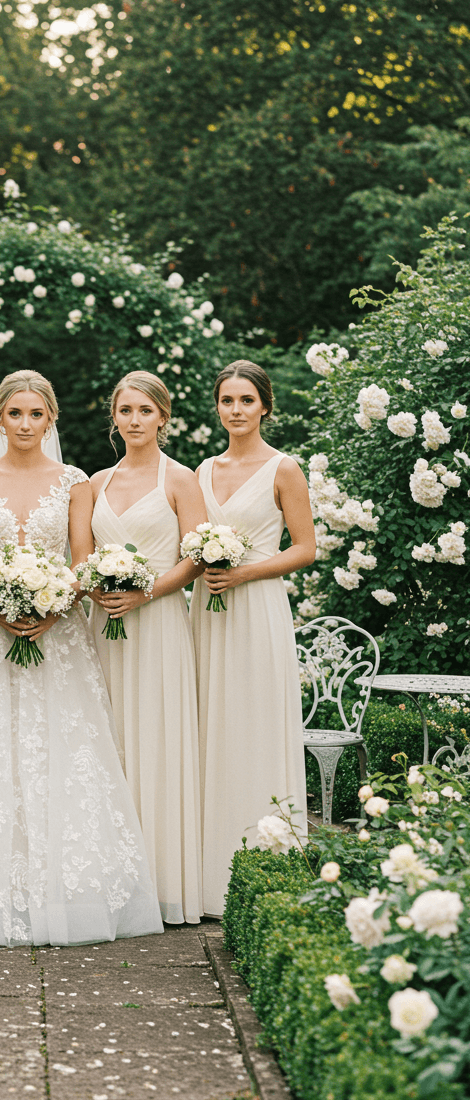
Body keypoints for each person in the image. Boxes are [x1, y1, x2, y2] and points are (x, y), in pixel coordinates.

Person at [0, 369, 162, 947]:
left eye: (35, 414)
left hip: (58, 631)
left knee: (62, 752)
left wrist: (51, 603)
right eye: (14, 414)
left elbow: (82, 555)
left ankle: (67, 893)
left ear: (51, 419)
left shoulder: (74, 482)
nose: (24, 424)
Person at [189, 360, 316, 917]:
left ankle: (269, 855)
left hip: (257, 605)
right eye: (226, 401)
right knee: (209, 722)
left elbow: (305, 548)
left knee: (254, 721)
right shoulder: (201, 471)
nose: (236, 411)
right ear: (217, 408)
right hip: (207, 611)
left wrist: (243, 572)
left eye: (246, 400)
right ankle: (208, 865)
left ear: (265, 405)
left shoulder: (283, 468)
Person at [90, 371, 206, 925]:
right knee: (105, 742)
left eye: (144, 411)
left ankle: (160, 880)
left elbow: (197, 556)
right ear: (114, 417)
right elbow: (81, 554)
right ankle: (107, 878)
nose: (134, 420)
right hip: (102, 627)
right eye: (125, 411)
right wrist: (100, 588)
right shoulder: (96, 482)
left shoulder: (181, 479)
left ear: (163, 416)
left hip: (157, 624)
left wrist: (146, 592)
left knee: (155, 740)